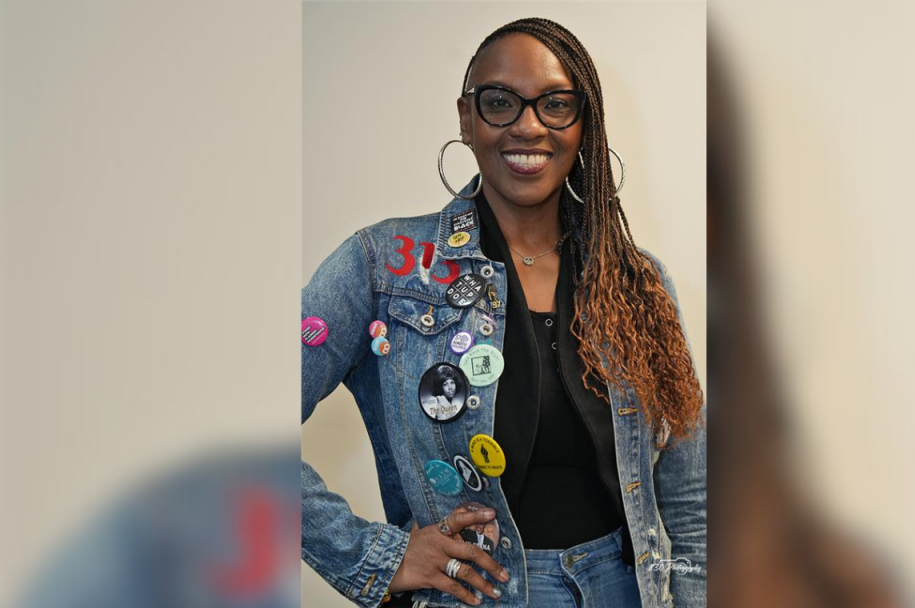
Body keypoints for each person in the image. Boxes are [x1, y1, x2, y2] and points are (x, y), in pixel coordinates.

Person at [302, 17, 706, 608]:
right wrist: (377, 557)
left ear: (584, 124)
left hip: (627, 588)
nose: (528, 125)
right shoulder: (385, 266)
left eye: (556, 104)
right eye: (500, 102)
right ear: (466, 118)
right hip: (478, 594)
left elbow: (689, 494)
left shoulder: (637, 281)